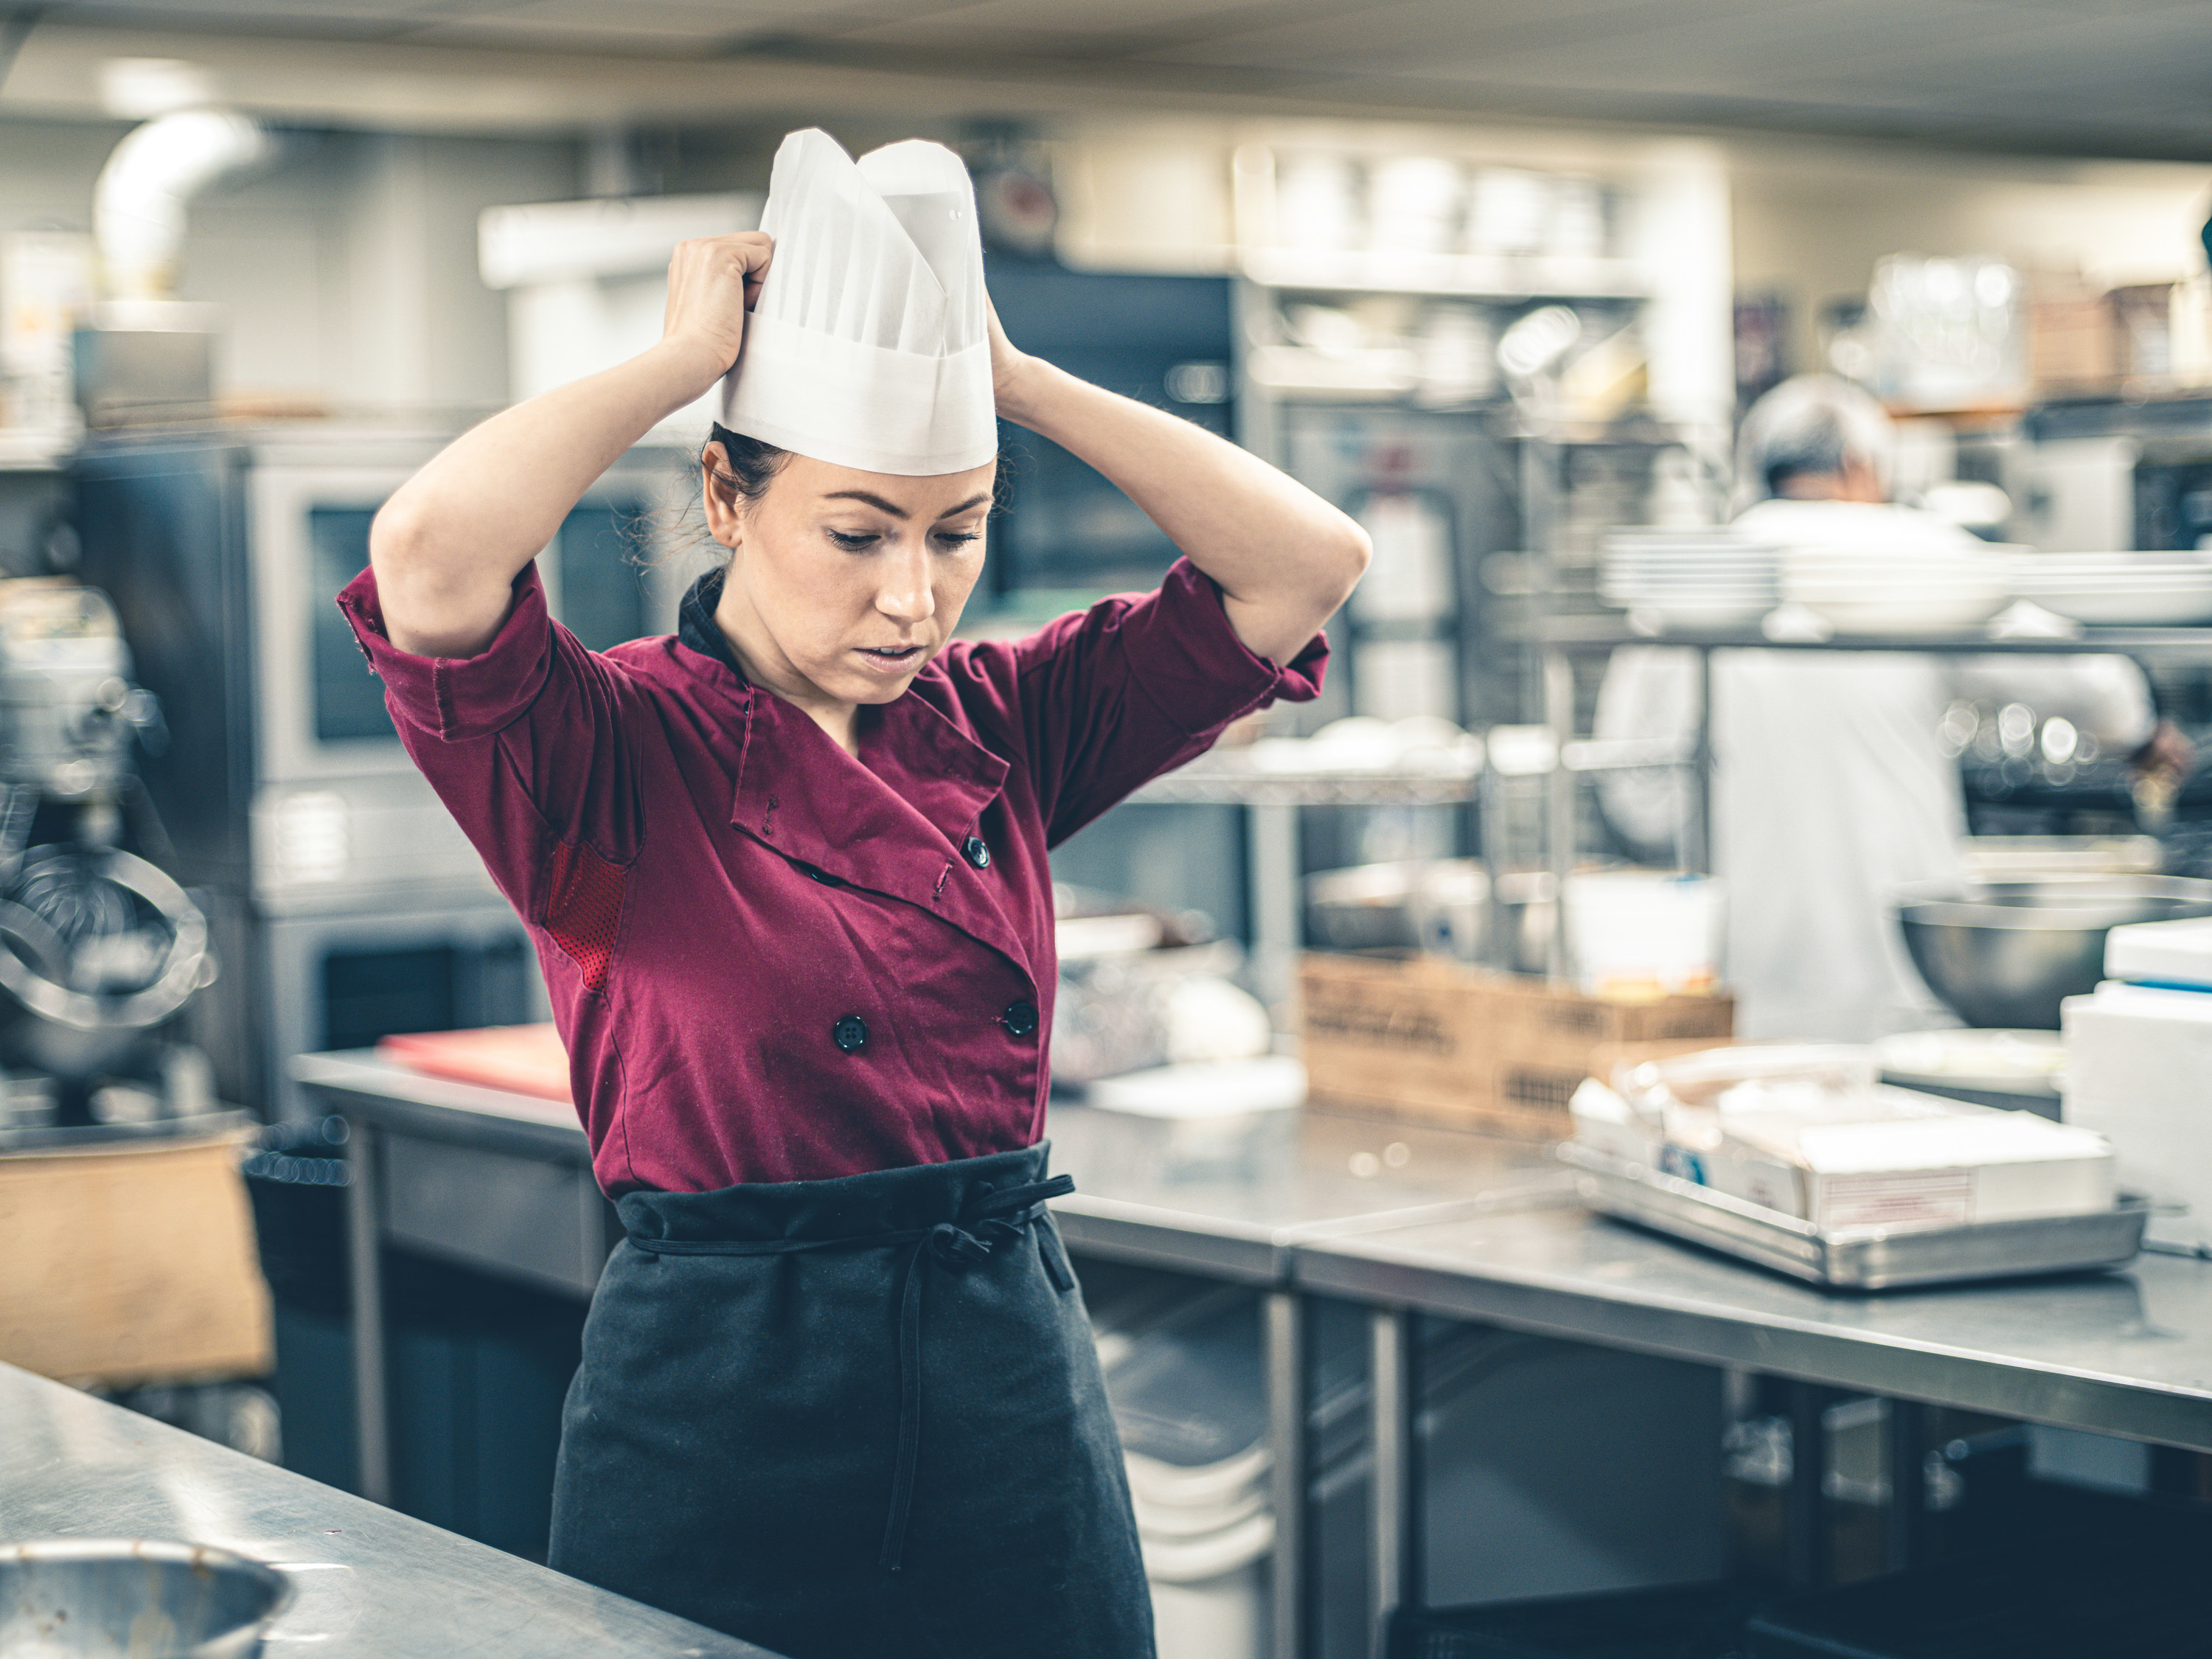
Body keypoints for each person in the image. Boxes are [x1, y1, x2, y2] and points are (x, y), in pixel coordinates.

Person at [341, 130, 1367, 1659]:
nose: (913, 596)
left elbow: (1305, 561)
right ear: (728, 495)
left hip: (1004, 1368)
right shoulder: (605, 752)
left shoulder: (1003, 721)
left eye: (957, 532)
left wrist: (1018, 383)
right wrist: (681, 357)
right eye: (858, 532)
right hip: (720, 1393)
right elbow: (427, 553)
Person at [1596, 375, 2183, 1041]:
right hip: (1905, 981)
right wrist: (2140, 734)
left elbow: (1632, 797)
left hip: (1740, 991)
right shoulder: (1916, 550)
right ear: (1859, 465)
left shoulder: (1697, 579)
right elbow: (2082, 678)